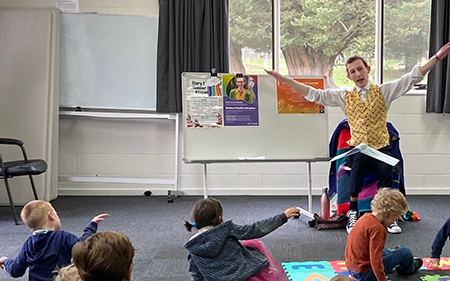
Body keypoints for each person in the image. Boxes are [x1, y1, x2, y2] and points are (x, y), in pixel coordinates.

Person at [266, 42, 450, 234]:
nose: (357, 74)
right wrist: (284, 80)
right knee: (360, 159)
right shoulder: (345, 96)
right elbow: (314, 94)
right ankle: (353, 212)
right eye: (352, 72)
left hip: (381, 148)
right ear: (348, 76)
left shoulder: (384, 92)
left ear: (367, 69)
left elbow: (412, 77)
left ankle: (390, 216)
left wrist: (436, 57)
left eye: (360, 69)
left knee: (386, 168)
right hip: (358, 150)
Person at [183, 197, 299, 281]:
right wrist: (283, 217)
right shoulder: (226, 229)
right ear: (220, 217)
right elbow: (256, 229)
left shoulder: (193, 246)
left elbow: (195, 274)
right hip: (244, 276)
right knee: (253, 244)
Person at [0, 200, 108, 281]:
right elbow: (83, 246)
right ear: (50, 215)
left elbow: (16, 270)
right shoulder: (62, 236)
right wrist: (91, 226)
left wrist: (6, 260)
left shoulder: (29, 243)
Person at [345, 188, 423, 281]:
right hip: (366, 274)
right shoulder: (378, 229)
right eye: (396, 218)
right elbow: (376, 260)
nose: (395, 221)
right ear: (392, 215)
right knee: (405, 251)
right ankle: (408, 268)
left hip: (352, 269)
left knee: (385, 251)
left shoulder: (364, 218)